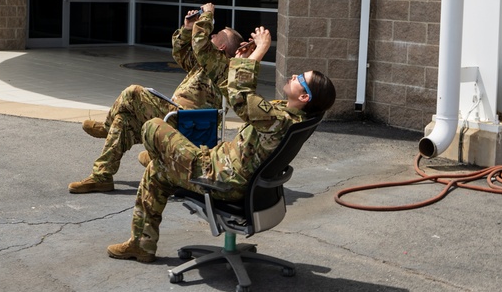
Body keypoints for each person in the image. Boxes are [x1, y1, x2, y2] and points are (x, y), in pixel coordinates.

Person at [106, 26, 336, 263]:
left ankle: (159, 160)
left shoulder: (278, 121)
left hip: (220, 177)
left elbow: (241, 96)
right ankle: (141, 244)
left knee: (152, 126)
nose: (293, 77)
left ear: (304, 97)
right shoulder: (290, 117)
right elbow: (239, 96)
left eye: (300, 79)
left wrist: (261, 51)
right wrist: (242, 61)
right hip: (226, 169)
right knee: (157, 172)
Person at [69, 3, 243, 194]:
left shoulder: (223, 67)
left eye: (216, 36)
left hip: (187, 121)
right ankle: (102, 176)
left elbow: (200, 44)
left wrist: (207, 16)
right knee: (124, 121)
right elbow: (181, 53)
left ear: (222, 46)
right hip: (176, 115)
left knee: (133, 92)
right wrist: (187, 28)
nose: (211, 35)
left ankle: (106, 128)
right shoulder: (206, 63)